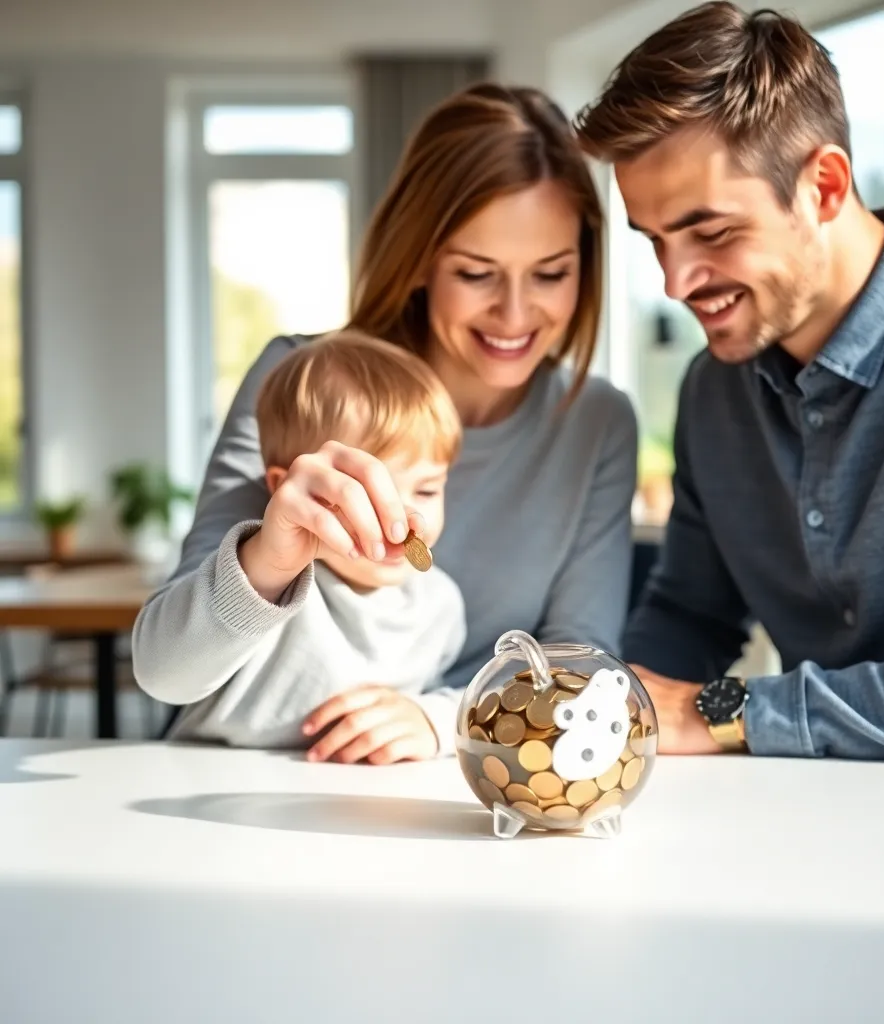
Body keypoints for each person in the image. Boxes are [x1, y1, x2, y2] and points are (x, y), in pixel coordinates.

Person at [135, 83, 638, 764]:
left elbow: (581, 667)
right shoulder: (300, 380)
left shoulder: (597, 424)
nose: (516, 314)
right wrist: (264, 560)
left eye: (551, 274)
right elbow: (167, 673)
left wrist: (439, 719)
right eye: (477, 273)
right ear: (420, 260)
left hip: (430, 789)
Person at [575, 0, 884, 763]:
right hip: (807, 834)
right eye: (654, 240)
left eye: (711, 232)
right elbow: (690, 616)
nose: (676, 282)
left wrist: (726, 712)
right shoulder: (712, 391)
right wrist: (593, 712)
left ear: (822, 186)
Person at [133, 331, 468, 761]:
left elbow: (473, 700)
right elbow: (162, 676)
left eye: (425, 491)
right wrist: (264, 570)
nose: (401, 521)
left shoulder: (439, 605)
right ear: (284, 488)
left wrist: (433, 718)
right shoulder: (262, 587)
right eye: (366, 491)